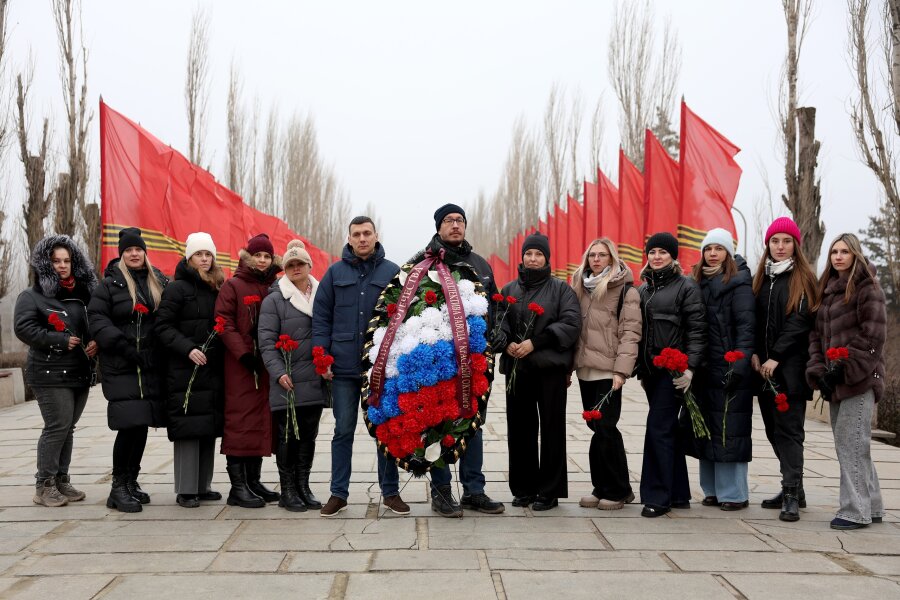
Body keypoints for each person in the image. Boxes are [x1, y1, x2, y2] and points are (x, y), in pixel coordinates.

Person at [313, 217, 409, 517]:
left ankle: (390, 492)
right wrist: (322, 356)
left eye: (367, 233)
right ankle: (338, 493)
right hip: (342, 368)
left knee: (385, 429)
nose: (362, 238)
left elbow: (404, 318)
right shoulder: (334, 273)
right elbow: (321, 317)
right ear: (350, 238)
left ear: (376, 235)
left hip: (379, 369)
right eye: (357, 234)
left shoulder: (393, 272)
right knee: (343, 430)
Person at [414, 204, 506, 517]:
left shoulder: (480, 264)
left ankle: (473, 490)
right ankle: (441, 491)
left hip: (476, 363)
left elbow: (495, 306)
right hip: (439, 364)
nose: (455, 225)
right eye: (449, 221)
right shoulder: (423, 265)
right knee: (439, 424)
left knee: (473, 424)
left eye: (460, 220)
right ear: (439, 226)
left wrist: (498, 334)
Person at [807, 233, 886, 530]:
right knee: (853, 444)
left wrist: (846, 367)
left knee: (851, 444)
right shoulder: (825, 290)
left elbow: (873, 336)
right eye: (834, 252)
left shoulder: (869, 289)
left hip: (861, 378)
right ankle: (874, 505)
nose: (838, 256)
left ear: (856, 255)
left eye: (845, 252)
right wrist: (820, 371)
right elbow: (815, 335)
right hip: (835, 379)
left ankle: (855, 510)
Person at [89, 227, 169, 513]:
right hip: (122, 364)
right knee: (129, 424)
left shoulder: (158, 280)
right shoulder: (110, 284)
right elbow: (96, 319)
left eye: (138, 249)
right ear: (121, 254)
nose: (134, 254)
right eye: (128, 250)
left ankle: (131, 481)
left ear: (144, 252)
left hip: (149, 366)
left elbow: (168, 317)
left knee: (141, 424)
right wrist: (124, 347)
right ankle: (117, 487)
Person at [15, 235, 98, 507]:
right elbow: (24, 328)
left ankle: (62, 480)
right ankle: (44, 485)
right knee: (57, 426)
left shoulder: (84, 295)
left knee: (68, 428)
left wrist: (94, 342)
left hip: (79, 371)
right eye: (55, 261)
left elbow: (91, 325)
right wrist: (60, 340)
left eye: (67, 260)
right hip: (49, 373)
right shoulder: (32, 295)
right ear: (44, 263)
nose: (62, 266)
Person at [499, 232, 581, 511]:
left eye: (538, 254)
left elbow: (571, 324)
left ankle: (549, 490)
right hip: (517, 370)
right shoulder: (509, 289)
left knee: (552, 428)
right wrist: (507, 342)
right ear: (521, 257)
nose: (533, 259)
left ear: (547, 258)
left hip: (550, 371)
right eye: (528, 254)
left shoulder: (561, 290)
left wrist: (535, 342)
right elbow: (498, 323)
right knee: (519, 430)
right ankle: (523, 488)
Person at [635, 232, 706, 518]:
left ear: (673, 257)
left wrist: (690, 368)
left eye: (663, 252)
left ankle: (657, 496)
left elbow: (697, 331)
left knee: (658, 429)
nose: (656, 257)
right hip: (650, 372)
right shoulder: (642, 290)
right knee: (667, 429)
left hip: (673, 371)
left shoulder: (686, 287)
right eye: (652, 252)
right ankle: (678, 494)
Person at [751, 217, 817, 522]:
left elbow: (800, 321)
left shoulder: (803, 279)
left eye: (786, 241)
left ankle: (791, 494)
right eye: (775, 241)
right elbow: (753, 320)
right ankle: (795, 487)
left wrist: (776, 356)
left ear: (795, 245)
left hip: (789, 370)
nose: (780, 247)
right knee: (773, 431)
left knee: (790, 432)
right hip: (763, 371)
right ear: (768, 245)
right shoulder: (761, 279)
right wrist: (754, 354)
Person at [156, 232, 225, 508]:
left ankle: (202, 485)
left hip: (210, 368)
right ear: (189, 257)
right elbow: (162, 327)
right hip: (185, 369)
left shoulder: (217, 286)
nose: (204, 259)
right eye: (199, 254)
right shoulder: (176, 289)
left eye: (208, 254)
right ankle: (186, 489)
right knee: (188, 428)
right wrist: (187, 348)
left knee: (207, 426)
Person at [571, 238, 641, 511]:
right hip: (585, 370)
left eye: (602, 255)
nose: (596, 260)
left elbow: (630, 333)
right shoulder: (580, 287)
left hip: (609, 371)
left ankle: (619, 490)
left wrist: (621, 372)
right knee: (595, 427)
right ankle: (601, 487)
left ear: (612, 259)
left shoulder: (626, 290)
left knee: (606, 427)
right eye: (592, 255)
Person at [215, 233, 282, 508]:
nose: (263, 261)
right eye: (258, 256)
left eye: (267, 256)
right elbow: (223, 322)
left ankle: (253, 481)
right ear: (248, 257)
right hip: (241, 366)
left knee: (259, 422)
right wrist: (243, 353)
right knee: (240, 422)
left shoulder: (274, 286)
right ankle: (237, 487)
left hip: (265, 365)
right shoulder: (233, 285)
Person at [260, 240, 326, 512]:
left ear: (309, 266)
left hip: (314, 380)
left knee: (308, 436)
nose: (296, 268)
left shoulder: (322, 295)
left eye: (300, 263)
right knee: (288, 436)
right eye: (290, 265)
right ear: (284, 269)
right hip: (287, 381)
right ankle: (287, 490)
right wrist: (278, 373)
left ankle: (303, 485)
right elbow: (266, 341)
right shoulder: (274, 300)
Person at [690, 228, 754, 511]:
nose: (712, 254)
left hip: (730, 368)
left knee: (731, 430)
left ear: (728, 252)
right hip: (704, 370)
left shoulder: (738, 283)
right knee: (707, 430)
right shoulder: (697, 282)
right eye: (708, 249)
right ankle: (712, 490)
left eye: (718, 248)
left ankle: (734, 494)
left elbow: (746, 328)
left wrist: (738, 365)